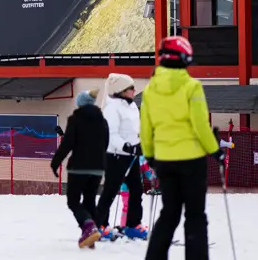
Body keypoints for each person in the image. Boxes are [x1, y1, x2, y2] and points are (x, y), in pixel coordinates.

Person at [141, 36, 221, 260]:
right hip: (191, 161)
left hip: (164, 160)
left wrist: (150, 156)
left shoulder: (149, 90)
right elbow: (200, 125)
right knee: (195, 215)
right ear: (185, 59)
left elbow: (146, 129)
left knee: (169, 213)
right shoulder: (191, 86)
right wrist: (215, 150)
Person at [51, 90, 109, 249]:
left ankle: (88, 226)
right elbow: (106, 143)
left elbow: (67, 143)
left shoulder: (75, 119)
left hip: (79, 167)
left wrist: (55, 162)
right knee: (90, 200)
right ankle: (91, 235)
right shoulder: (103, 121)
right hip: (98, 168)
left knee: (73, 200)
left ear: (80, 103)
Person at [95, 73, 144, 240]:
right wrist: (127, 146)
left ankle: (132, 225)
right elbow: (112, 134)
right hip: (115, 156)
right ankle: (100, 225)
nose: (134, 90)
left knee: (137, 190)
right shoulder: (112, 108)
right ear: (122, 90)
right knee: (110, 190)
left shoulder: (132, 107)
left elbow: (134, 131)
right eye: (131, 88)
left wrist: (140, 144)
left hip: (132, 155)